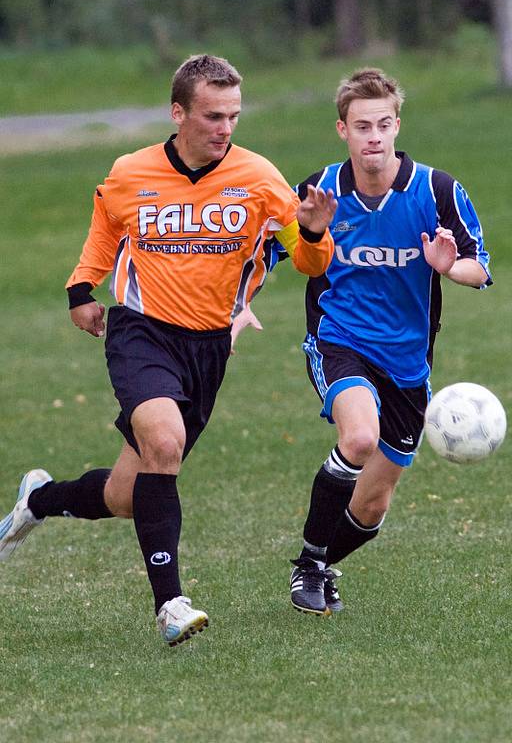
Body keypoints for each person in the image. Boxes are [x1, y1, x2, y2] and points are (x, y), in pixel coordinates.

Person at [0, 54, 336, 646]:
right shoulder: (132, 170)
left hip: (206, 349)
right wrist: (82, 289)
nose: (225, 127)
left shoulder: (261, 179)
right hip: (141, 332)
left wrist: (310, 229)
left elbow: (310, 263)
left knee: (128, 495)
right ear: (178, 112)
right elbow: (108, 225)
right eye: (212, 115)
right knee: (164, 441)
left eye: (233, 115)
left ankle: (40, 499)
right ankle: (171, 605)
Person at [287, 67, 491, 616]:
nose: (373, 137)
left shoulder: (436, 190)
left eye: (382, 124)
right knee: (358, 439)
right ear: (342, 131)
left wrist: (450, 268)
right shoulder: (320, 190)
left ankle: (322, 563)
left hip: (408, 362)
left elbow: (480, 266)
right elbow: (264, 253)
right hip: (340, 339)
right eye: (361, 126)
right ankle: (307, 566)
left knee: (373, 505)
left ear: (397, 125)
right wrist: (236, 312)